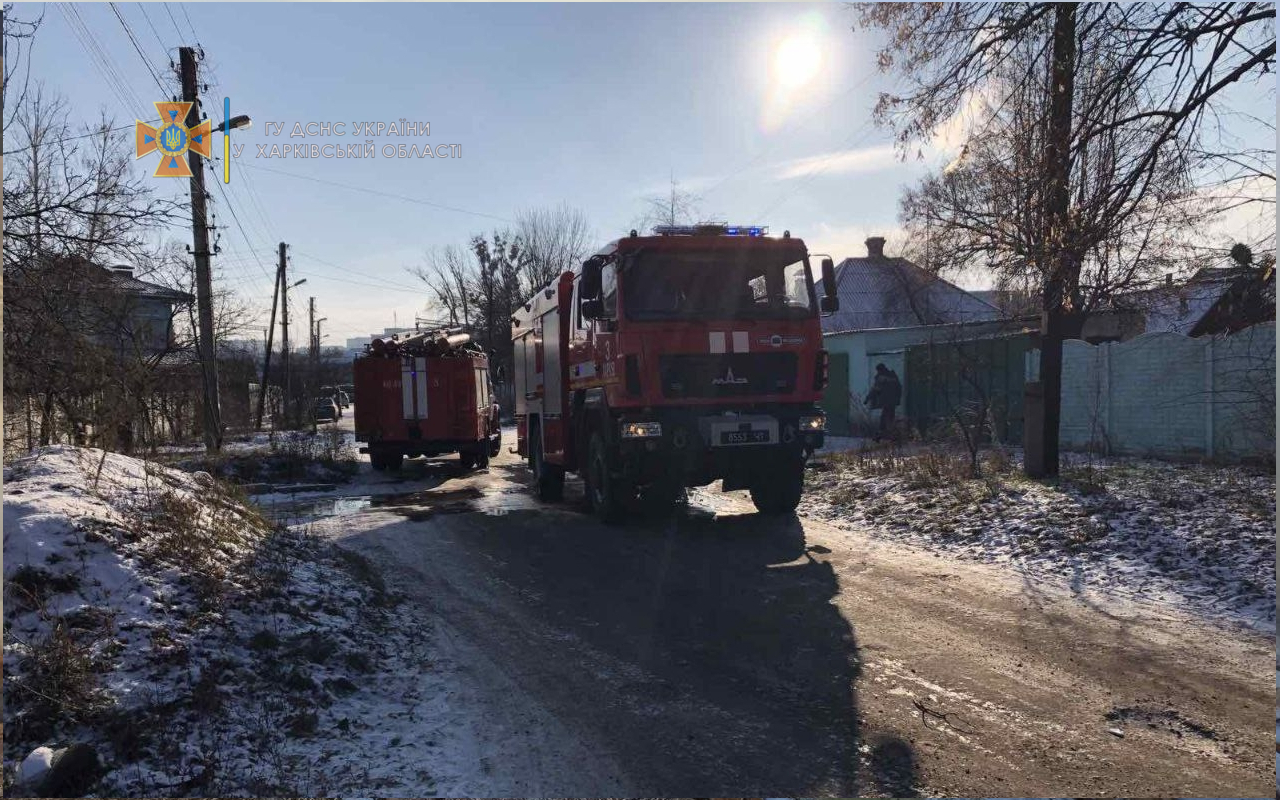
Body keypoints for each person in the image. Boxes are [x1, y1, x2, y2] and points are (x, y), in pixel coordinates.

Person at [866, 363, 902, 440]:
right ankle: (891, 435)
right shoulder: (893, 375)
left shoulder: (880, 377)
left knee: (884, 418)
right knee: (891, 417)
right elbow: (899, 388)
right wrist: (898, 399)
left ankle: (882, 435)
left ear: (879, 370)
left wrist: (867, 398)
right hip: (893, 401)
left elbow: (875, 389)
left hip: (886, 401)